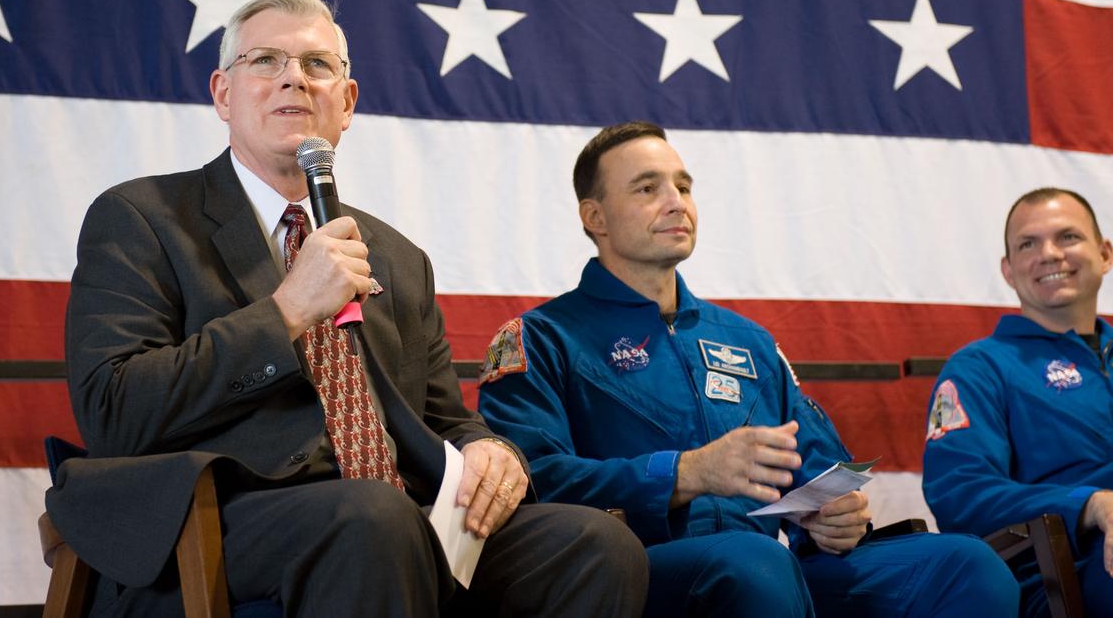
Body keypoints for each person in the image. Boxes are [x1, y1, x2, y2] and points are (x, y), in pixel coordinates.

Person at [46, 0, 648, 616]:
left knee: (594, 543)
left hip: (400, 514)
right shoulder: (143, 218)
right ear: (223, 94)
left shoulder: (395, 256)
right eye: (265, 62)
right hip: (223, 519)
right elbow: (114, 411)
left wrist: (488, 450)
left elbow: (441, 419)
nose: (293, 81)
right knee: (372, 517)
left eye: (316, 66)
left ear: (347, 103)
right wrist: (285, 312)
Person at [476, 121, 1018, 618]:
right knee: (751, 563)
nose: (676, 204)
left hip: (773, 568)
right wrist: (682, 474)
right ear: (594, 218)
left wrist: (832, 514)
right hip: (637, 571)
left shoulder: (748, 340)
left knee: (966, 565)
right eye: (648, 189)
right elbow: (529, 480)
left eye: (683, 187)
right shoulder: (541, 338)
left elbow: (817, 467)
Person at [923, 187, 1113, 616]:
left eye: (1068, 237)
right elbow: (959, 494)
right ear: (1009, 271)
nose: (1049, 254)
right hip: (1068, 572)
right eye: (1028, 243)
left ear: (1104, 254)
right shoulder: (979, 368)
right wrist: (1090, 504)